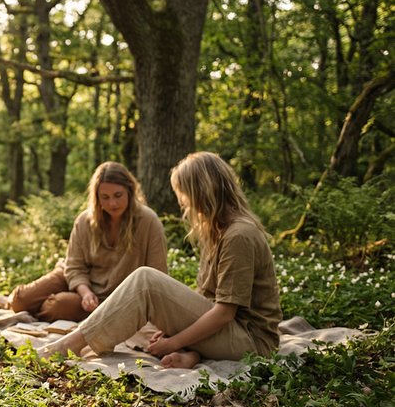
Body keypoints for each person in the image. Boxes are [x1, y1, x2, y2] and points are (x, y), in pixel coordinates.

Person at [37, 151, 282, 369]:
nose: (182, 203)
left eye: (183, 194)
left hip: (251, 341)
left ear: (201, 192)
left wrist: (174, 341)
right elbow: (206, 298)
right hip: (230, 333)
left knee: (146, 279)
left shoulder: (239, 235)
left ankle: (72, 343)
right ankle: (192, 356)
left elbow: (223, 314)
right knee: (146, 285)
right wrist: (170, 329)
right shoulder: (218, 230)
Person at [0, 161, 167, 322]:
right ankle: (11, 301)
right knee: (20, 300)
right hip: (74, 279)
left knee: (55, 307)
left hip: (110, 299)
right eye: (105, 197)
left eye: (118, 195)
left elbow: (157, 274)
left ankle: (44, 304)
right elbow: (74, 266)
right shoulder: (85, 221)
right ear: (97, 198)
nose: (113, 203)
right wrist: (85, 292)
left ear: (130, 191)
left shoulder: (148, 221)